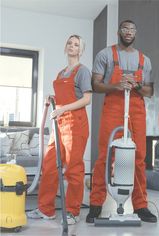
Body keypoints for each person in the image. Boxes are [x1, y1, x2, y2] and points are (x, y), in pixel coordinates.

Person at [86, 19, 157, 223]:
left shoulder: (145, 59)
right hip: (113, 107)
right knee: (105, 156)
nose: (129, 32)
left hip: (136, 109)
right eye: (125, 28)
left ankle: (141, 206)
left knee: (139, 157)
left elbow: (150, 91)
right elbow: (96, 85)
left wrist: (135, 86)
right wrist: (116, 85)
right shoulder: (105, 54)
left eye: (132, 29)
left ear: (136, 33)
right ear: (119, 32)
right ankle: (96, 205)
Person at [28, 35, 92, 225]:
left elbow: (87, 98)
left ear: (81, 50)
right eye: (70, 43)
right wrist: (52, 97)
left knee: (73, 169)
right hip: (59, 123)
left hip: (75, 123)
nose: (72, 46)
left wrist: (63, 108)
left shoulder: (83, 71)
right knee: (49, 166)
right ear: (66, 47)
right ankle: (45, 209)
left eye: (76, 44)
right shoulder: (61, 72)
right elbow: (65, 96)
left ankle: (73, 211)